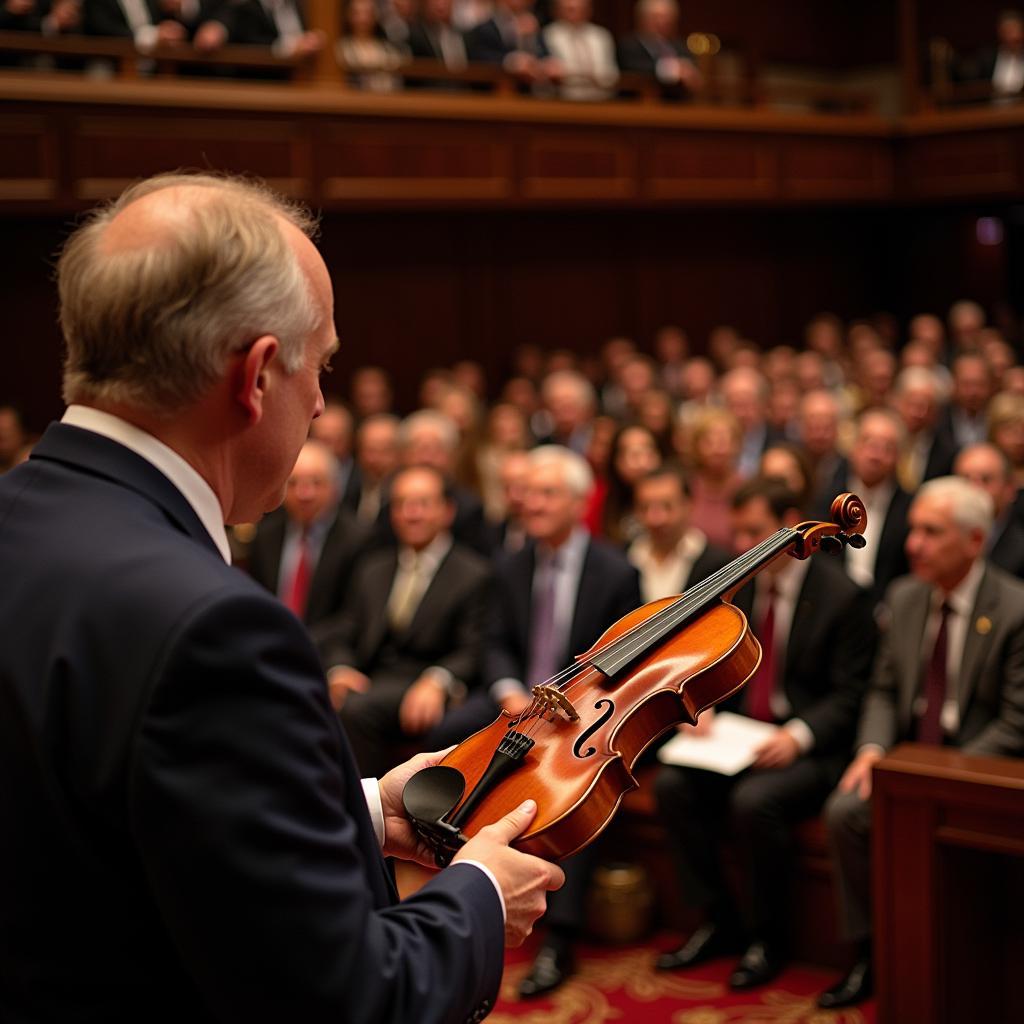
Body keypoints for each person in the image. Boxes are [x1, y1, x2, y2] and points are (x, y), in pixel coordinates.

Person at [0, 172, 564, 1023]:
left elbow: (110, 820)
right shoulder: (213, 627)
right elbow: (344, 999)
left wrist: (362, 808)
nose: (323, 400)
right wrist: (481, 895)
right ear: (257, 377)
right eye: (322, 365)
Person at [431, 444, 642, 998]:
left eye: (549, 494)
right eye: (530, 493)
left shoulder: (617, 571)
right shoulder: (510, 563)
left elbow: (629, 660)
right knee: (444, 734)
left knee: (584, 788)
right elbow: (495, 642)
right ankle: (457, 878)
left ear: (579, 502)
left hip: (586, 712)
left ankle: (560, 939)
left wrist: (571, 701)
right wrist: (506, 690)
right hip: (518, 700)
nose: (533, 504)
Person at [654, 478, 876, 991]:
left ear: (789, 524)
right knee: (672, 785)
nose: (742, 547)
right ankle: (719, 919)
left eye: (754, 532)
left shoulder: (843, 596)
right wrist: (702, 707)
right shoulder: (741, 584)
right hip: (740, 737)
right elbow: (720, 666)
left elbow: (852, 694)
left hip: (808, 748)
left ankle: (767, 938)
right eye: (737, 533)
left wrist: (798, 736)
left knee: (755, 803)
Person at [819, 476, 1024, 1010]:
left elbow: (1015, 724)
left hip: (980, 768)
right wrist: (871, 751)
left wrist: (932, 775)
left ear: (976, 540)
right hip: (906, 763)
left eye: (931, 533)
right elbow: (884, 690)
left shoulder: (1015, 609)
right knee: (845, 812)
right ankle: (873, 952)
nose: (913, 545)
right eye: (913, 531)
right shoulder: (906, 596)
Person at [317, 464, 492, 777]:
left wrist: (438, 679)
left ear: (447, 511)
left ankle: (364, 808)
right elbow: (345, 629)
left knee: (357, 709)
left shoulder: (473, 573)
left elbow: (474, 647)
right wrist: (340, 669)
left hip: (423, 682)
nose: (411, 514)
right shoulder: (373, 568)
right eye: (401, 504)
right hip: (371, 677)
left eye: (423, 504)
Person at [246, 439, 369, 628]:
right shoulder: (265, 535)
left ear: (335, 488)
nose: (304, 493)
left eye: (316, 483)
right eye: (294, 483)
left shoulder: (358, 539)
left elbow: (351, 617)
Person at [627, 463, 732, 603]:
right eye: (645, 508)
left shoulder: (719, 564)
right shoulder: (624, 559)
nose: (655, 519)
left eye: (667, 506)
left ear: (688, 505)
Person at [955, 442, 1024, 576]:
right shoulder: (941, 540)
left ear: (1009, 489)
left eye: (985, 480)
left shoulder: (1020, 548)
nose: (974, 489)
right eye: (965, 479)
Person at [542, 0, 618, 101]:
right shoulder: (548, 35)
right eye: (570, 9)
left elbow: (611, 73)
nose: (576, 13)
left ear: (589, 10)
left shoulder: (601, 36)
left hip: (601, 100)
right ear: (558, 11)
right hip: (562, 101)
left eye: (581, 9)